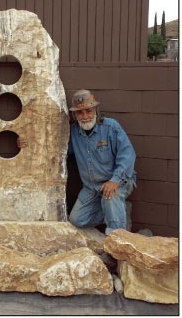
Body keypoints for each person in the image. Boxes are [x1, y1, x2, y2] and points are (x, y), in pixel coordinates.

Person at [18, 89, 136, 234]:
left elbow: (128, 154)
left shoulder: (110, 127)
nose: (85, 116)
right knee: (76, 220)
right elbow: (54, 150)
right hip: (92, 188)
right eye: (80, 113)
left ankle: (116, 240)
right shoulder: (73, 132)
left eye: (88, 111)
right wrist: (28, 143)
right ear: (74, 114)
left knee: (110, 197)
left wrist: (115, 180)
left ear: (96, 110)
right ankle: (116, 212)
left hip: (118, 182)